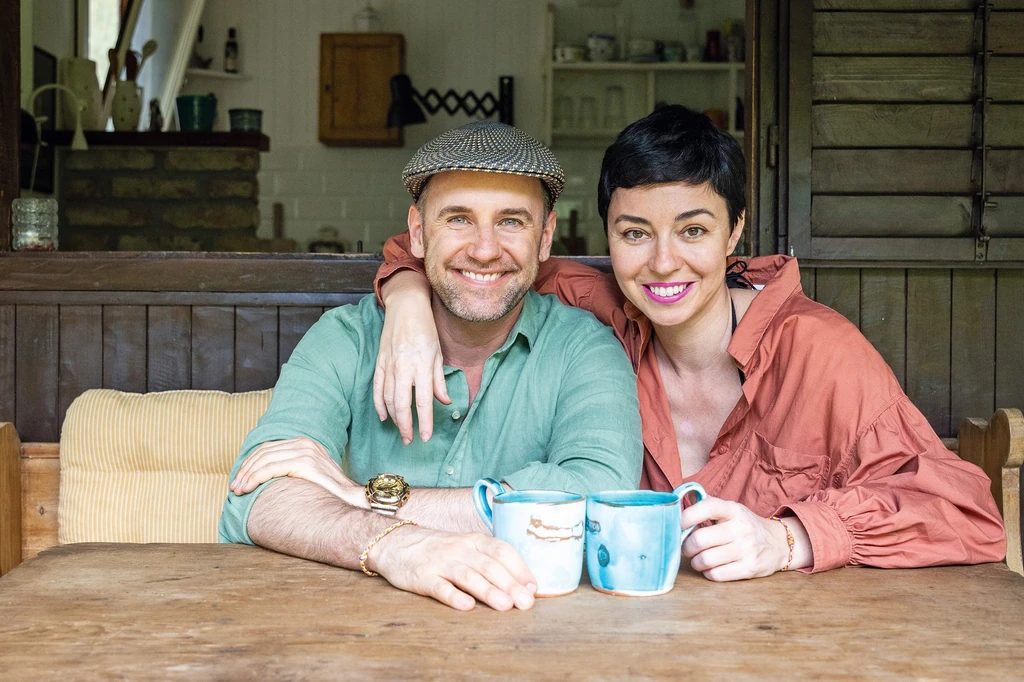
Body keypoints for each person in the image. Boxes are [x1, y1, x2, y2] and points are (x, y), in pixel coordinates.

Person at [371, 105, 1006, 581]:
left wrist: (789, 540)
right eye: (635, 232)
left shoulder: (818, 351)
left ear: (735, 232)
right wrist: (404, 302)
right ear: (608, 235)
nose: (663, 263)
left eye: (693, 230)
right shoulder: (596, 307)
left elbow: (969, 512)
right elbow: (470, 260)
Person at [218, 121, 643, 610]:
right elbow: (257, 498)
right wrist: (397, 545)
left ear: (545, 237)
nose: (484, 249)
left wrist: (362, 499)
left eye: (511, 221)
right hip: (352, 636)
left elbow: (597, 493)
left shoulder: (584, 349)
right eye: (458, 219)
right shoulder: (346, 338)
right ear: (418, 233)